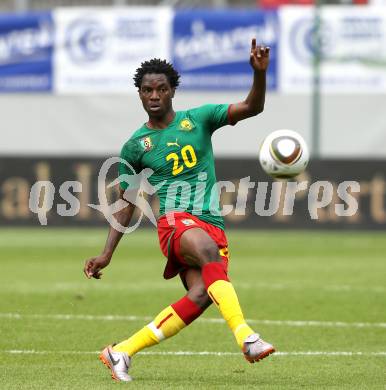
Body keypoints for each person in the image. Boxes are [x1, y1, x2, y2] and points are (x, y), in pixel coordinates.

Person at [84, 38, 275, 382]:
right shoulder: (135, 146)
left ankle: (121, 351)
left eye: (160, 89)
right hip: (175, 224)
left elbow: (252, 107)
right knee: (206, 253)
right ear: (139, 94)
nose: (154, 96)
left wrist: (259, 75)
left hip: (211, 223)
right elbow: (127, 201)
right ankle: (246, 336)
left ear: (172, 91)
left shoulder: (199, 119)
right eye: (146, 90)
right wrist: (106, 253)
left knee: (202, 296)